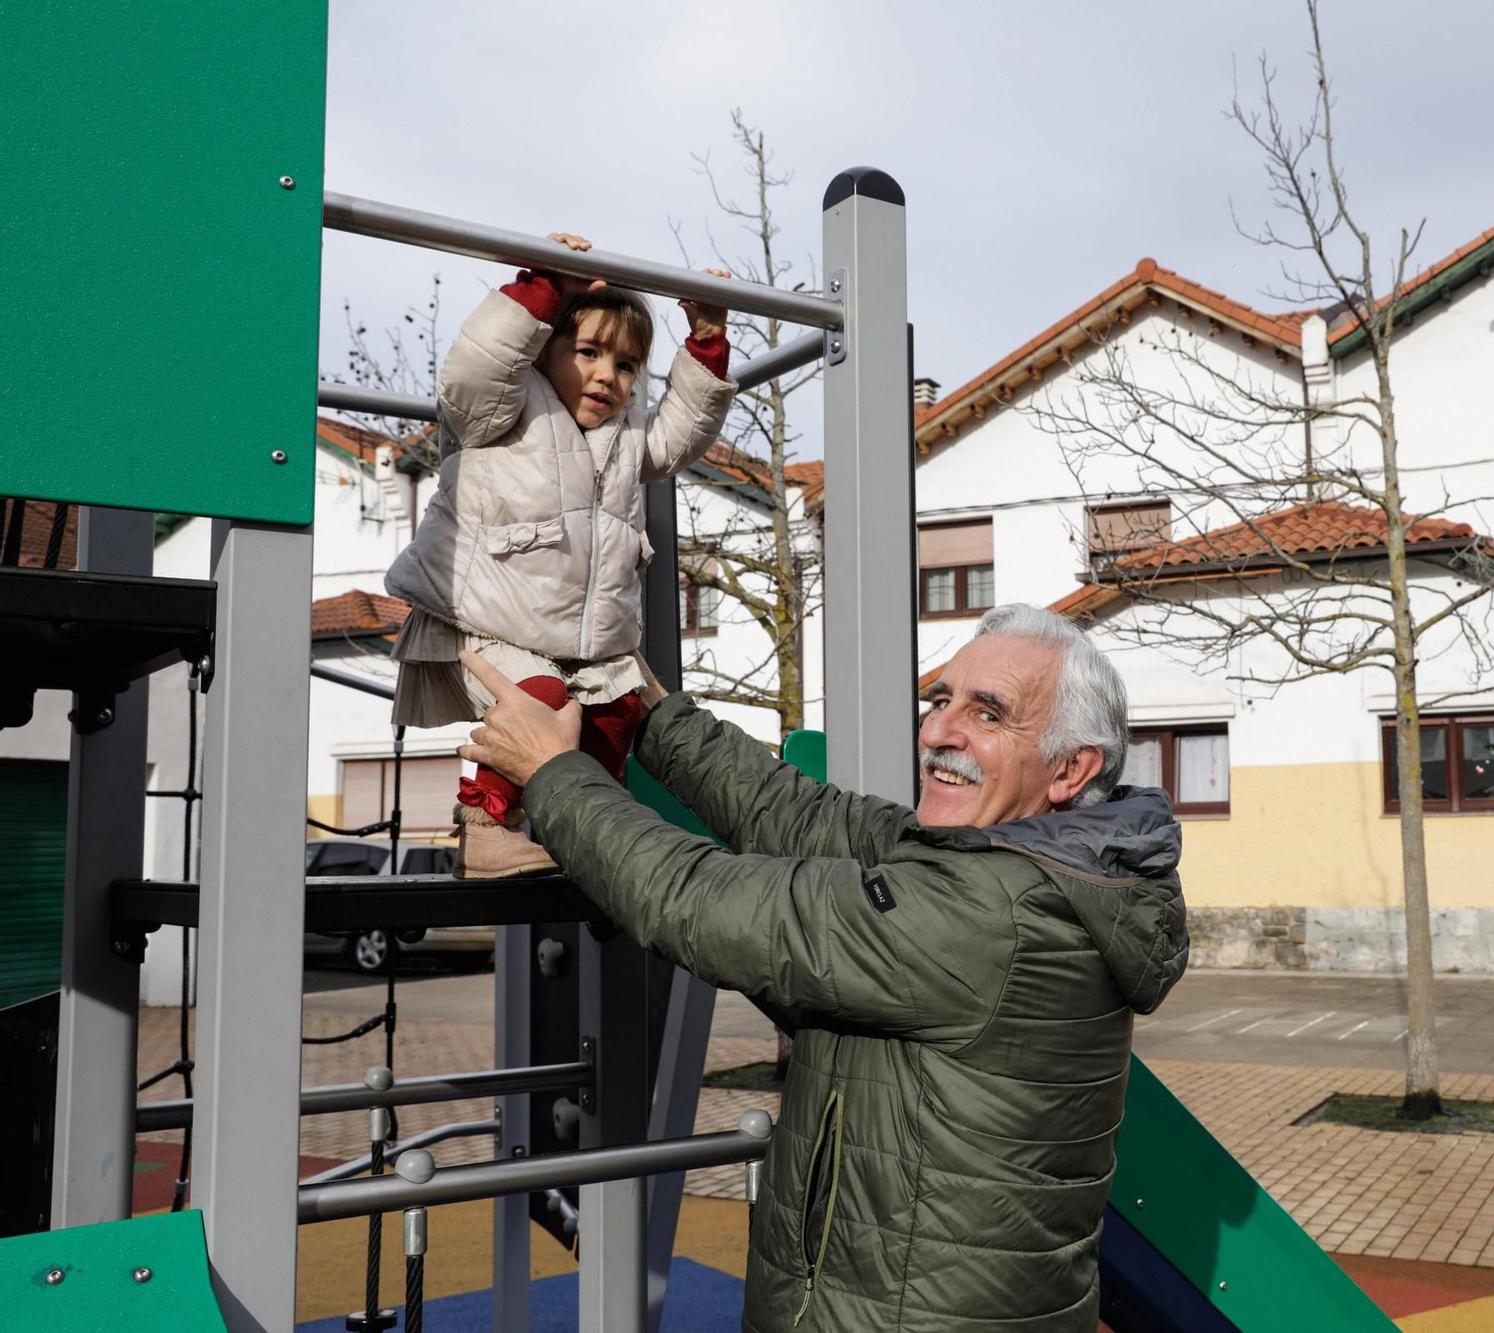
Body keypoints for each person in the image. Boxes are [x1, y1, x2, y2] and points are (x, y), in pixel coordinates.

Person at [461, 603, 1190, 1331]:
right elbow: (801, 814)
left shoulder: (995, 917)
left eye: (988, 714)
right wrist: (649, 709)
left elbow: (703, 903)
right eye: (940, 700)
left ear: (1071, 768)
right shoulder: (1020, 862)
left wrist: (551, 773)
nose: (938, 731)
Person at [384, 232, 737, 877]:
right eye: (588, 352)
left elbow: (681, 437)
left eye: (627, 365)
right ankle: (485, 827)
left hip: (578, 641)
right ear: (542, 350)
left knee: (613, 718)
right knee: (538, 702)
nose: (608, 375)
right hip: (480, 620)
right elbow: (476, 368)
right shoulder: (499, 413)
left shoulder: (630, 439)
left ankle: (576, 832)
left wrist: (708, 340)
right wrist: (546, 286)